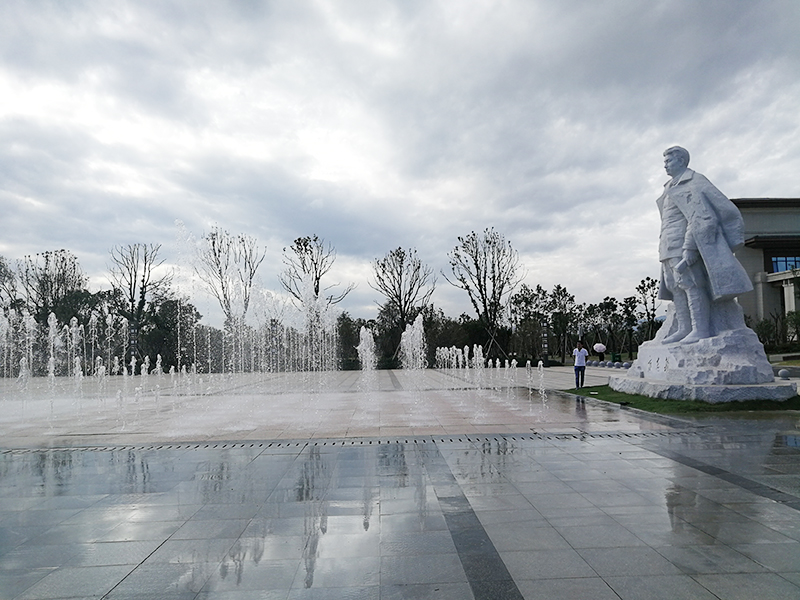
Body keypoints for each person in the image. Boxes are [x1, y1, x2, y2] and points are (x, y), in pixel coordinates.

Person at [657, 146, 752, 344]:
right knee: (676, 287)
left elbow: (700, 217)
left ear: (682, 160)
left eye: (669, 160)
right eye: (664, 161)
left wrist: (690, 248)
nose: (665, 164)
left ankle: (701, 329)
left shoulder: (694, 181)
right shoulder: (669, 187)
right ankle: (684, 328)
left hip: (684, 244)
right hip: (667, 246)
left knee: (691, 285)